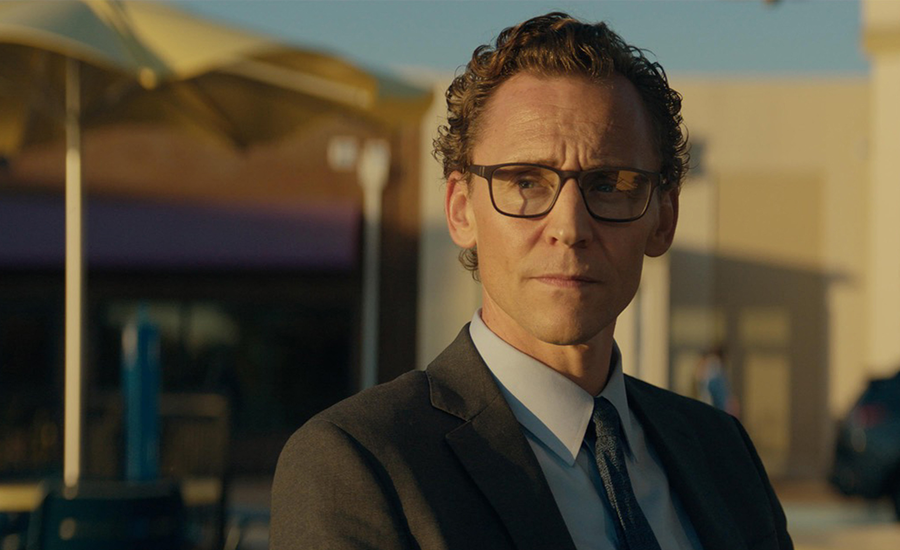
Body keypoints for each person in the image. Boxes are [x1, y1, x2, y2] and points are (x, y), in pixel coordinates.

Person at [271, 12, 792, 550]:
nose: (570, 227)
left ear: (663, 219)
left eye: (609, 184)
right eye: (525, 181)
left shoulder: (722, 452)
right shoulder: (362, 463)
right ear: (461, 211)